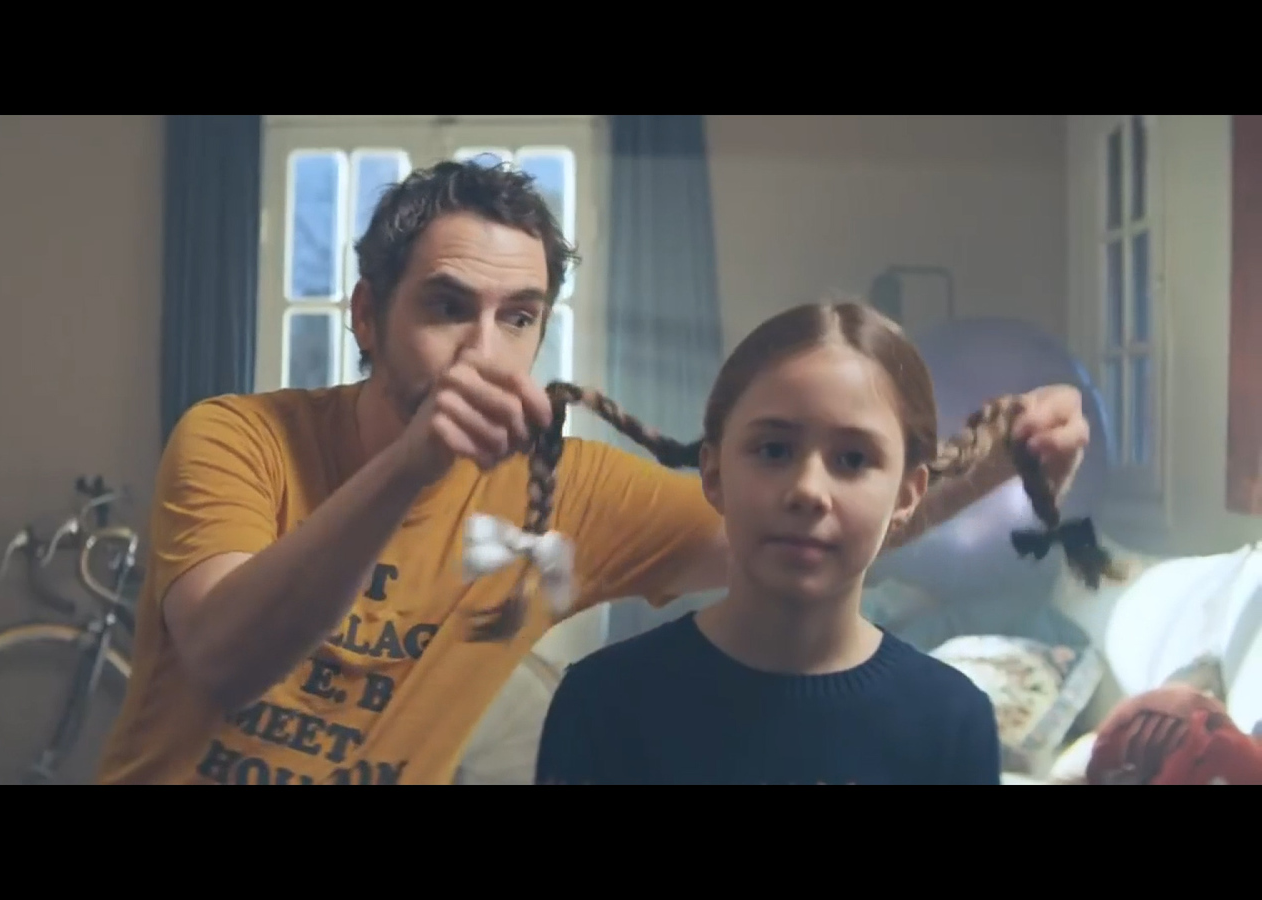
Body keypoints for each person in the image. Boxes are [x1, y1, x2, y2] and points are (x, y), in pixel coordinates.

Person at [95, 160, 1091, 785]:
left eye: (518, 316)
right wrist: (412, 466)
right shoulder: (235, 439)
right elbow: (225, 656)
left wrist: (985, 468)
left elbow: (803, 529)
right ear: (366, 316)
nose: (487, 350)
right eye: (448, 308)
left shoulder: (573, 490)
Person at [533, 300, 1062, 785]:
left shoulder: (951, 721)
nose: (808, 490)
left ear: (907, 495)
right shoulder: (604, 705)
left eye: (853, 459)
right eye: (773, 450)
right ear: (713, 472)